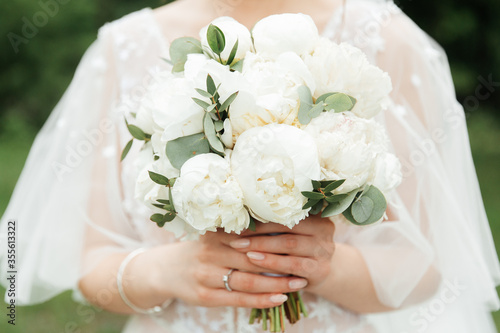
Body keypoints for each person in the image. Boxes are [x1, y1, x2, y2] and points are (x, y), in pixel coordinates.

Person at [1, 0, 499, 332]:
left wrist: (320, 266)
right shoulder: (123, 48)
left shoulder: (388, 42)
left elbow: (431, 269)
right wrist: (168, 270)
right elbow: (94, 269)